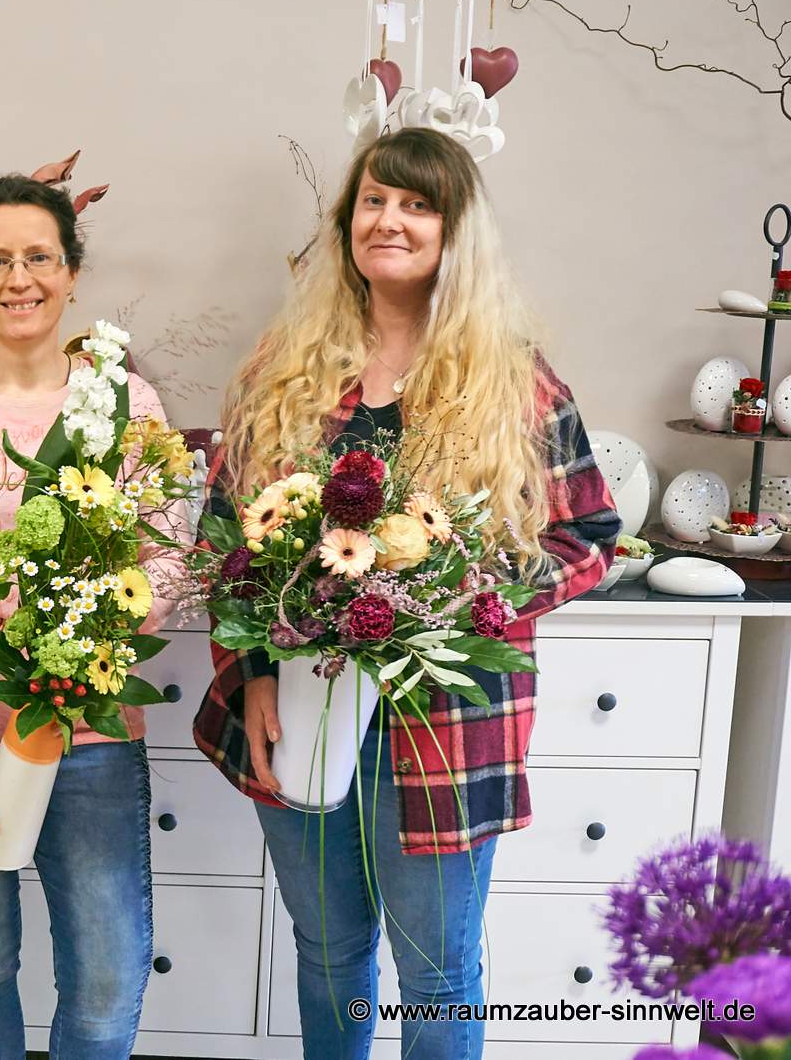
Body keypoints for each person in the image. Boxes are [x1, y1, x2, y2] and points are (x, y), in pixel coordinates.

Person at [194, 126, 620, 1059]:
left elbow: (589, 533)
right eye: (374, 200)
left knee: (436, 968)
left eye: (418, 205)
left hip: (446, 722)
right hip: (298, 702)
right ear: (348, 221)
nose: (390, 220)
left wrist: (474, 600)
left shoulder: (514, 383)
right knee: (327, 950)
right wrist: (252, 672)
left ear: (454, 231)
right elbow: (225, 541)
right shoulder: (282, 371)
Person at [0, 174, 188, 1060]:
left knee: (107, 976)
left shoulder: (127, 405)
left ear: (72, 273)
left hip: (89, 742)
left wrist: (80, 661)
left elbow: (166, 556)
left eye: (40, 257)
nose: (20, 279)